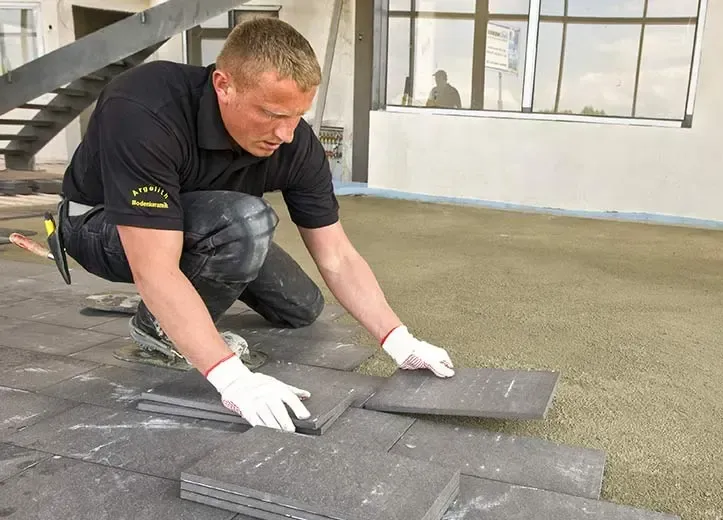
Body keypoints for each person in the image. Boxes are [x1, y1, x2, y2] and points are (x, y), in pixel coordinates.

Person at [57, 17, 455, 433]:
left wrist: (399, 340)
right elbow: (154, 268)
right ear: (223, 86)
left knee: (302, 307)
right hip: (99, 223)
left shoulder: (294, 143)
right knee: (246, 223)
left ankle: (215, 268)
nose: (285, 133)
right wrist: (232, 377)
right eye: (271, 114)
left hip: (211, 225)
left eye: (297, 115)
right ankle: (157, 329)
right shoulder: (145, 107)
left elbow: (337, 255)